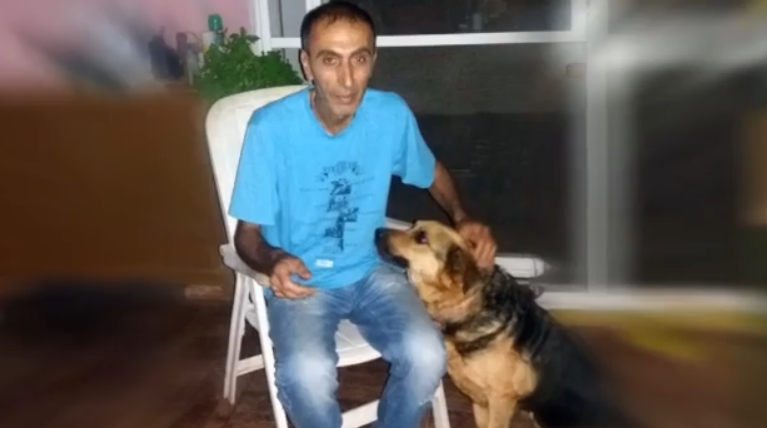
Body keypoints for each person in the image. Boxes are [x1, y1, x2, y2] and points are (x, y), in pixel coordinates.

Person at [228, 2, 497, 428]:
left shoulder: (389, 115)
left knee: (428, 356)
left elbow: (430, 172)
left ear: (373, 60)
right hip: (303, 283)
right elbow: (247, 236)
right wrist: (273, 259)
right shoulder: (270, 129)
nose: (347, 79)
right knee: (306, 376)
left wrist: (461, 215)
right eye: (330, 60)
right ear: (307, 64)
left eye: (359, 58)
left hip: (371, 269)